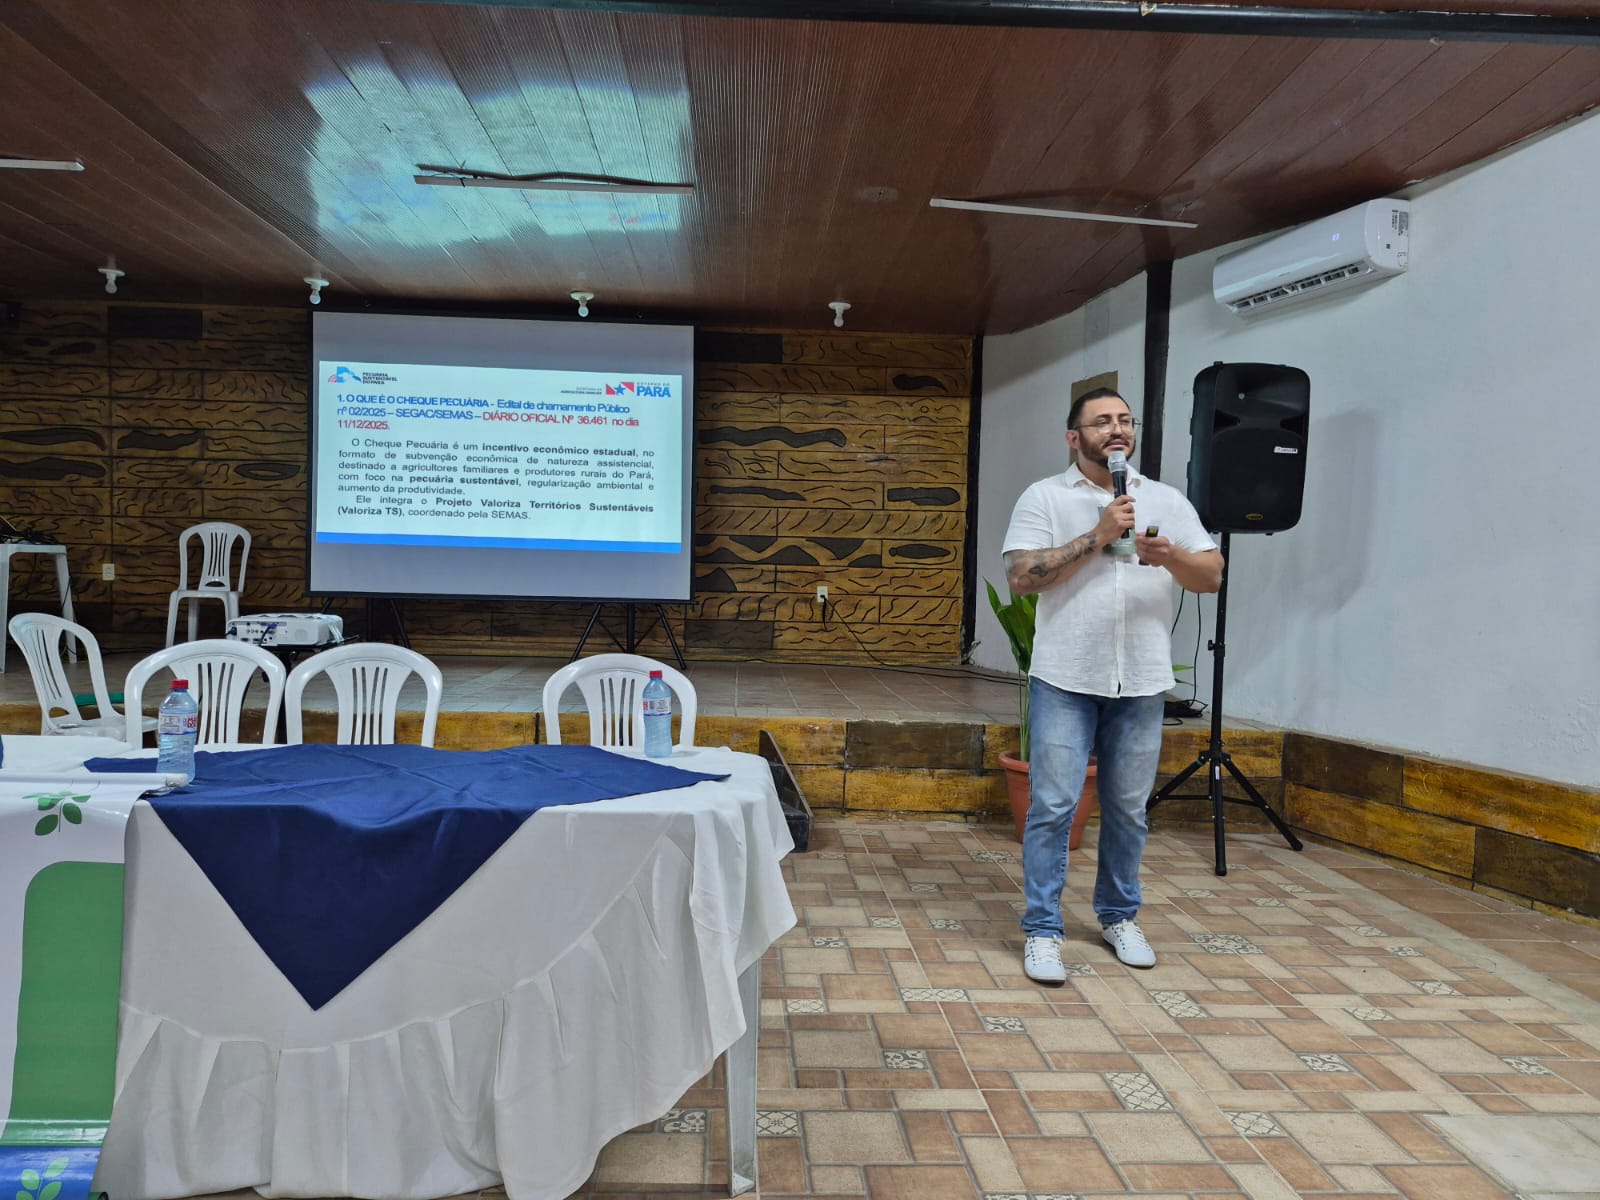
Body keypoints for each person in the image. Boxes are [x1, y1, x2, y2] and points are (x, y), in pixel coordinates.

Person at [1002, 387, 1223, 979]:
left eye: (1125, 420)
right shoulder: (1044, 497)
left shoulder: (1167, 500)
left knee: (1128, 808)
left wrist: (1169, 555)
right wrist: (1099, 535)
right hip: (1066, 677)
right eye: (1102, 422)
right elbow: (1023, 577)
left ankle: (1119, 916)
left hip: (1142, 683)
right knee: (1052, 805)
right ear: (1074, 437)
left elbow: (1212, 576)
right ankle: (1043, 929)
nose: (1117, 429)